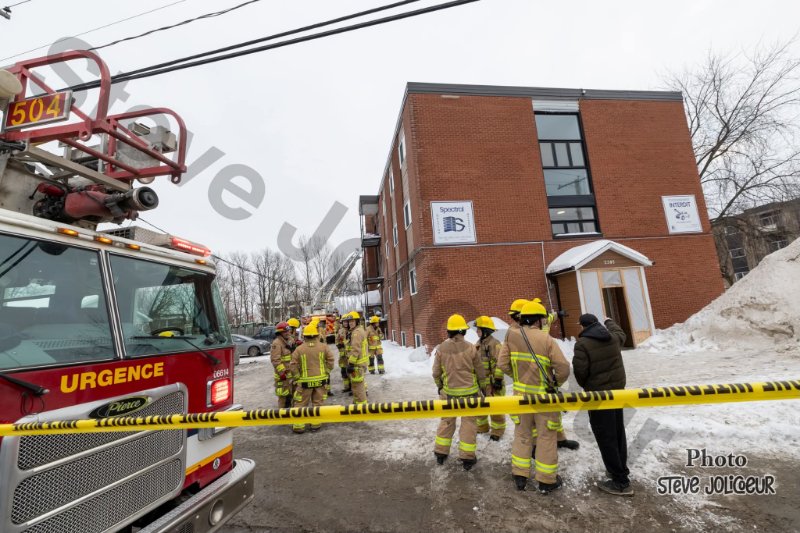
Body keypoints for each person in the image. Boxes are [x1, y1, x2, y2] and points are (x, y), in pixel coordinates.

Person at [498, 301, 570, 493]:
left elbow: (502, 363)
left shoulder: (511, 336)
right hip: (544, 398)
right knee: (546, 437)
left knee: (522, 434)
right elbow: (563, 368)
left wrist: (518, 378)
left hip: (520, 397)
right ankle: (546, 480)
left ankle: (520, 476)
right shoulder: (546, 339)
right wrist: (554, 383)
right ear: (538, 320)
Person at [572, 313, 633, 496]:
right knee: (617, 432)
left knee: (605, 436)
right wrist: (609, 321)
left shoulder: (582, 345)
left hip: (598, 397)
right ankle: (620, 469)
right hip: (617, 394)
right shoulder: (613, 337)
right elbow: (620, 332)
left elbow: (580, 372)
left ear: (582, 326)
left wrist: (588, 386)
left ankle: (620, 481)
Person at [432, 314, 487, 471]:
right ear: (463, 331)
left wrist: (439, 386)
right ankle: (467, 458)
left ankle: (441, 453)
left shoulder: (441, 348)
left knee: (447, 421)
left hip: (448, 395)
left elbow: (436, 373)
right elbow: (480, 371)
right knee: (469, 423)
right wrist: (482, 387)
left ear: (449, 331)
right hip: (470, 395)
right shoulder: (471, 348)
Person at [530, 297, 580, 452]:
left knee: (554, 408)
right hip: (535, 358)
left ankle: (560, 439)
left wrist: (559, 313)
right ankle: (536, 443)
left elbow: (552, 316)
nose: (543, 317)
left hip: (547, 354)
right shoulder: (529, 326)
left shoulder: (545, 317)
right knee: (537, 414)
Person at [289, 320, 335, 433]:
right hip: (321, 380)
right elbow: (331, 360)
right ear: (316, 335)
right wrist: (326, 372)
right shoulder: (323, 347)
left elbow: (293, 365)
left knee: (300, 403)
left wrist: (297, 377)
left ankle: (299, 426)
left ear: (304, 336)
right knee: (318, 403)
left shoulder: (299, 349)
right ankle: (315, 425)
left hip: (304, 382)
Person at [473, 316, 506, 441]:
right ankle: (482, 427)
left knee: (495, 407)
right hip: (481, 383)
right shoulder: (477, 345)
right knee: (479, 406)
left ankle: (497, 431)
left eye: (479, 329)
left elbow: (500, 363)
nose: (477, 332)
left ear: (485, 331)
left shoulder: (495, 344)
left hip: (493, 383)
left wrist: (497, 379)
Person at [345, 311, 369, 405]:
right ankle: (357, 404)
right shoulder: (358, 330)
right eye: (349, 321)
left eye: (352, 321)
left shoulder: (356, 333)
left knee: (358, 387)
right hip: (360, 363)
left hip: (357, 364)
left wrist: (351, 363)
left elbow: (356, 349)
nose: (350, 323)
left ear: (357, 321)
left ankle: (361, 407)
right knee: (357, 385)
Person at [270, 321, 294, 408]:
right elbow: (275, 360)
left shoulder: (290, 340)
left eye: (288, 331)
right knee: (283, 396)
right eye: (285, 331)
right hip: (283, 376)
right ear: (280, 332)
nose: (288, 333)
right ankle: (282, 416)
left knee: (292, 395)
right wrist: (282, 373)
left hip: (291, 373)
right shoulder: (277, 343)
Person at [336, 316, 351, 394]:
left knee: (351, 372)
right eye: (344, 322)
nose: (346, 323)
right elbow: (337, 341)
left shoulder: (351, 331)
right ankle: (346, 387)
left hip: (350, 355)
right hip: (342, 356)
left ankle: (352, 388)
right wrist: (340, 348)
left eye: (347, 322)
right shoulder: (340, 331)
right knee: (343, 372)